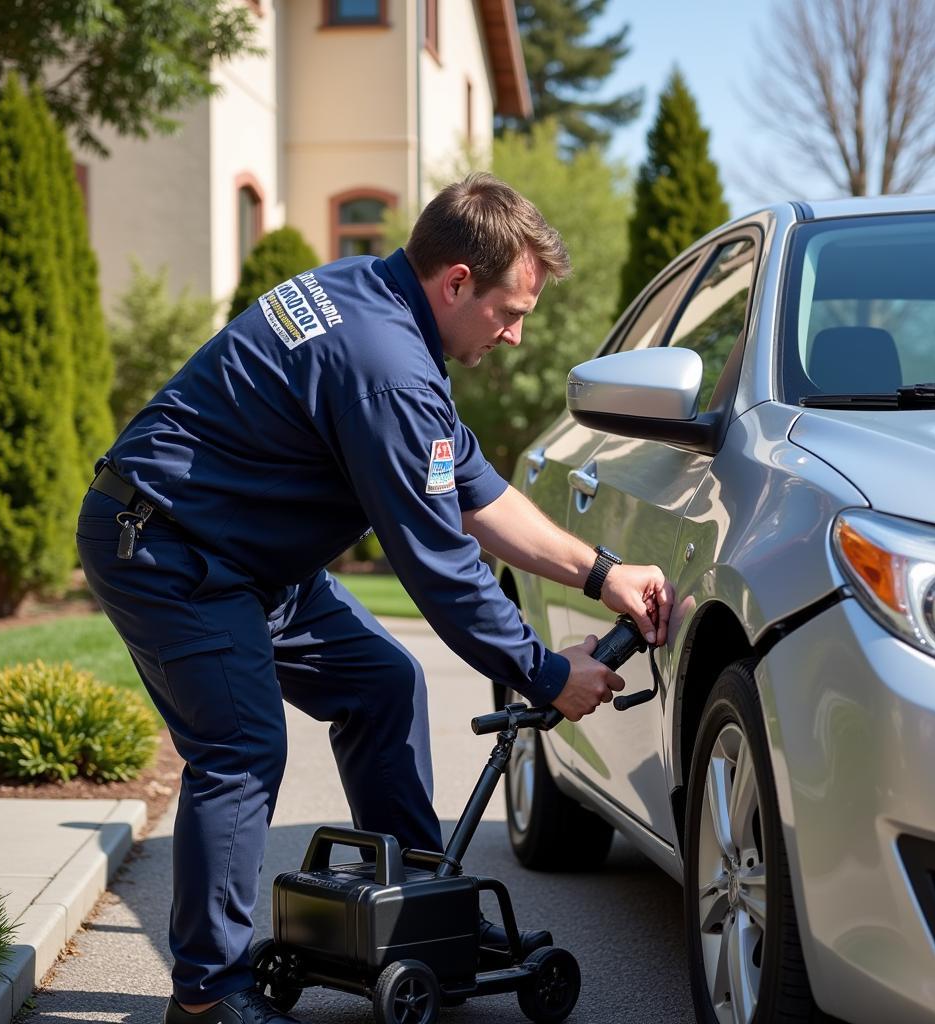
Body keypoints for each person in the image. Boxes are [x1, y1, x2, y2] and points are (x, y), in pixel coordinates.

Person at [76, 172, 674, 1024]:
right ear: (456, 282)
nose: (512, 337)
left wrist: (600, 572)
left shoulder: (379, 308)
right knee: (242, 747)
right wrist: (544, 672)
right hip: (170, 548)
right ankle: (207, 997)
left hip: (245, 557)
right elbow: (441, 564)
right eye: (510, 313)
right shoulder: (386, 367)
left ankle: (424, 917)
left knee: (382, 683)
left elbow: (477, 493)